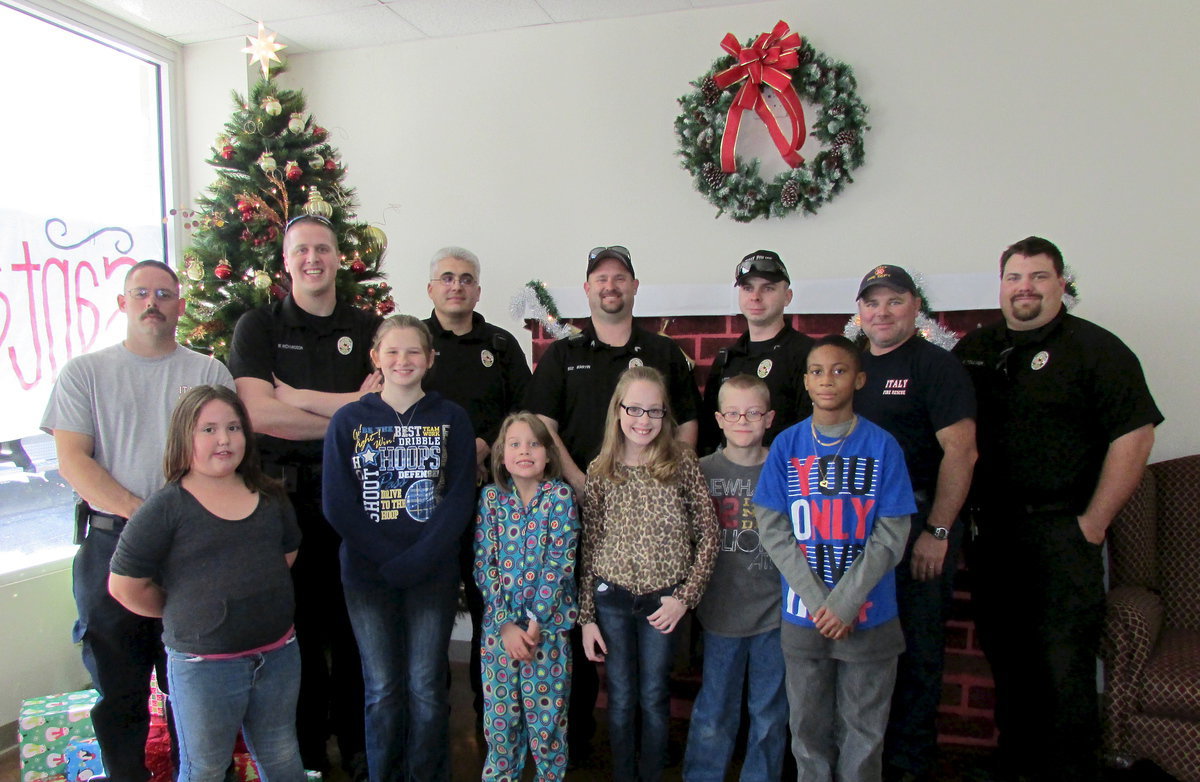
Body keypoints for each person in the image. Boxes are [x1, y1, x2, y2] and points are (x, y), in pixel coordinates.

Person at [953, 236, 1161, 782]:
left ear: (1061, 283)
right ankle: (1016, 766)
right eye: (1014, 278)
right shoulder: (975, 349)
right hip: (992, 534)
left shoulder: (1096, 349)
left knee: (1064, 667)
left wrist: (1093, 524)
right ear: (1001, 286)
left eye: (1039, 277)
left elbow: (1135, 436)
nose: (1025, 288)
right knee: (1007, 660)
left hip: (1062, 533)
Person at [41, 259, 232, 782]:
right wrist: (142, 513)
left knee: (191, 684)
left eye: (164, 294)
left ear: (181, 305)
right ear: (123, 302)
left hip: (190, 549)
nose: (153, 302)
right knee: (119, 688)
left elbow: (225, 454)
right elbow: (73, 461)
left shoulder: (209, 373)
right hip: (111, 546)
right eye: (141, 292)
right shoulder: (84, 373)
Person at [523, 245, 703, 760]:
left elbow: (688, 424)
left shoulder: (663, 353)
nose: (610, 285)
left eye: (620, 277)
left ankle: (648, 751)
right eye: (600, 278)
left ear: (634, 287)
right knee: (584, 626)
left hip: (651, 526)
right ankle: (578, 741)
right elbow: (543, 426)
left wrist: (667, 483)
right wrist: (583, 483)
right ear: (587, 289)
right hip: (579, 507)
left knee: (648, 670)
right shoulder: (564, 354)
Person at [228, 214, 379, 775]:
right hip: (281, 500)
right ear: (285, 262)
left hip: (357, 497)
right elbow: (259, 415)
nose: (313, 258)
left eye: (323, 249)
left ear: (339, 258)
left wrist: (297, 399)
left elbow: (384, 410)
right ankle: (307, 752)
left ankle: (360, 746)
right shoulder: (258, 326)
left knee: (355, 626)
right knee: (295, 632)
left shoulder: (369, 328)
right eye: (301, 250)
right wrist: (348, 410)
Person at [108, 385, 304, 782]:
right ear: (184, 438)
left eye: (233, 427)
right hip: (205, 667)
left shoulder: (270, 496)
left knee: (282, 757)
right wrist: (186, 609)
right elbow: (125, 585)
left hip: (278, 655)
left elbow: (285, 555)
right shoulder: (165, 508)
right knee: (206, 768)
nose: (224, 440)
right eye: (208, 429)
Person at [322, 314, 476, 782]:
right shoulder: (348, 420)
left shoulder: (452, 418)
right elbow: (337, 503)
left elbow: (460, 497)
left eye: (413, 351)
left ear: (429, 359)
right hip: (368, 577)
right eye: (392, 351)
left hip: (433, 573)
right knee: (383, 689)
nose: (402, 360)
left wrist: (417, 559)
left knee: (426, 687)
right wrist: (389, 560)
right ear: (376, 358)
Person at [756, 335, 916, 782]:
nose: (827, 380)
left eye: (839, 370)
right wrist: (817, 600)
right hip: (803, 615)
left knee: (863, 733)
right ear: (806, 381)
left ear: (859, 380)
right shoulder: (787, 445)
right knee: (807, 733)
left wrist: (845, 602)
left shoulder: (883, 446)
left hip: (869, 615)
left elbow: (892, 534)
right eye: (817, 371)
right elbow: (773, 529)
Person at [852, 264, 978, 782]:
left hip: (917, 525)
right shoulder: (850, 367)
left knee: (917, 651)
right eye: (872, 302)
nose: (882, 312)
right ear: (859, 311)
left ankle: (908, 765)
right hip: (855, 527)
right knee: (864, 648)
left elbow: (962, 452)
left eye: (894, 301)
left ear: (915, 306)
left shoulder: (936, 366)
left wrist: (938, 531)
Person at [579, 366, 719, 782]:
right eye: (634, 409)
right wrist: (586, 618)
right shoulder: (600, 469)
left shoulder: (682, 461)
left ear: (665, 414)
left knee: (654, 695)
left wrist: (685, 597)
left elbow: (709, 533)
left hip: (664, 600)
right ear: (618, 411)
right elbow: (590, 545)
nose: (644, 420)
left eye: (654, 411)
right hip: (612, 598)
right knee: (621, 697)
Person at [423, 246, 531, 723]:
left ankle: (493, 719)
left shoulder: (501, 345)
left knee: (492, 605)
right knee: (432, 611)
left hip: (492, 499)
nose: (456, 286)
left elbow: (526, 412)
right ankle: (433, 720)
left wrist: (487, 444)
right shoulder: (415, 342)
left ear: (478, 290)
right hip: (426, 502)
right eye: (447, 278)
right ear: (431, 289)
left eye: (466, 279)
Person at [682, 374, 788, 782]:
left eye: (753, 413)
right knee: (715, 708)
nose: (743, 421)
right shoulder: (700, 471)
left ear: (769, 418)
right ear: (719, 420)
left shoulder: (784, 469)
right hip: (719, 613)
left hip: (775, 615)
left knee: (769, 712)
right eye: (733, 413)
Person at [473, 412, 577, 781]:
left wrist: (534, 623)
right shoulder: (491, 498)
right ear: (502, 456)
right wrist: (505, 625)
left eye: (534, 444)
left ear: (548, 454)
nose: (525, 451)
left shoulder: (560, 497)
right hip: (499, 635)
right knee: (500, 727)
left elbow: (559, 564)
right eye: (515, 444)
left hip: (546, 634)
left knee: (547, 729)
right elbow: (484, 563)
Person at [699, 250, 812, 454]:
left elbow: (810, 432)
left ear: (787, 297)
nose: (755, 297)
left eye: (768, 288)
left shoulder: (807, 354)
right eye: (747, 288)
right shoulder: (727, 359)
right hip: (731, 472)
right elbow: (709, 432)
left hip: (787, 469)